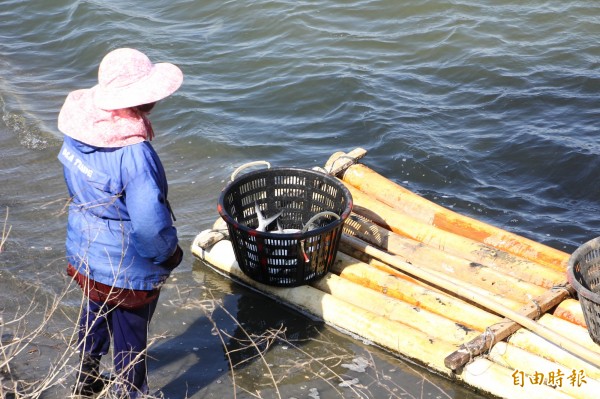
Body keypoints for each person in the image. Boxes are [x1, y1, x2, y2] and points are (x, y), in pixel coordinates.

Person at [57, 48, 184, 398]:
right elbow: (149, 225)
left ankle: (86, 380)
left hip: (85, 247)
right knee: (130, 331)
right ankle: (132, 392)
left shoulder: (79, 130)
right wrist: (168, 254)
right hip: (126, 262)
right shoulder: (135, 153)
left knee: (96, 310)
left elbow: (77, 186)